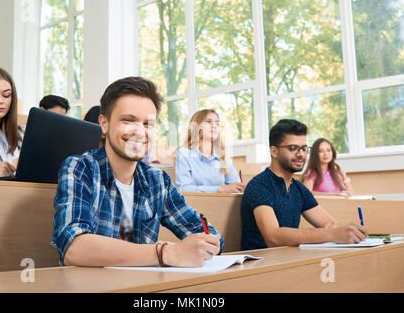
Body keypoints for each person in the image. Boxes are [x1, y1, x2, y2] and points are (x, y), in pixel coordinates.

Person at [51, 76, 223, 268]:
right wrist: (165, 252)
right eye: (128, 120)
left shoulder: (157, 180)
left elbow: (211, 237)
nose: (140, 132)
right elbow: (73, 248)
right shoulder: (80, 168)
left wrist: (208, 244)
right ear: (104, 124)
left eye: (148, 124)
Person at [240, 119, 368, 250]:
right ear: (274, 151)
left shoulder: (299, 188)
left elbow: (329, 224)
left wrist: (351, 231)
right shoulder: (259, 185)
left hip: (288, 259)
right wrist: (332, 234)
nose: (301, 154)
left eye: (304, 148)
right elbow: (273, 237)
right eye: (293, 148)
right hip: (261, 263)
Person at [175, 109, 244, 193]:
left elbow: (236, 186)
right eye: (208, 122)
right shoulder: (183, 153)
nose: (214, 126)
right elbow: (184, 188)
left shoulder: (222, 156)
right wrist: (219, 189)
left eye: (217, 123)